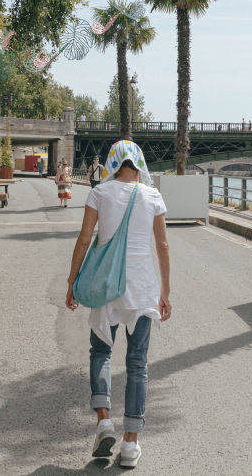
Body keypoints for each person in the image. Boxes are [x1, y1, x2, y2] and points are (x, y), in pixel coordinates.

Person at [65, 140, 171, 468]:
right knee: (138, 362)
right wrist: (165, 291)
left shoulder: (100, 192)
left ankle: (104, 422)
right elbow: (163, 245)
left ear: (113, 163)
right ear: (139, 163)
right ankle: (130, 445)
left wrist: (73, 282)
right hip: (141, 286)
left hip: (108, 283)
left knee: (101, 352)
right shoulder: (152, 195)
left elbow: (85, 239)